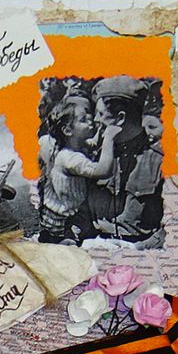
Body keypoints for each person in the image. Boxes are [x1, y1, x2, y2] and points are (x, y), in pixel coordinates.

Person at [87, 77, 166, 245]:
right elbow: (80, 212)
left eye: (100, 114)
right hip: (93, 247)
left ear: (120, 118)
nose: (95, 120)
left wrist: (138, 249)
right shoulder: (95, 155)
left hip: (139, 253)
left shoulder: (161, 161)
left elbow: (176, 225)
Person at [36, 94, 119, 245]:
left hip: (57, 213)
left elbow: (92, 144)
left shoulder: (70, 145)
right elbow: (103, 171)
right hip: (63, 222)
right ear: (68, 130)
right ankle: (65, 241)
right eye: (83, 120)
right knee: (73, 246)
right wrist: (109, 138)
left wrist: (100, 132)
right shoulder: (70, 158)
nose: (91, 121)